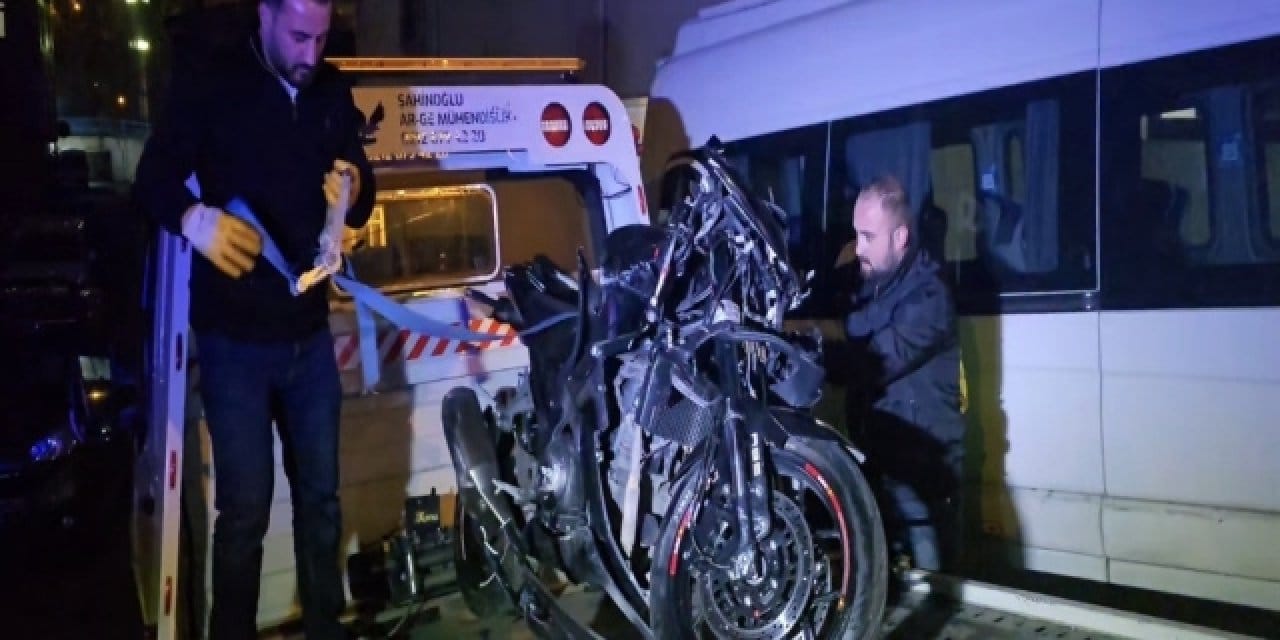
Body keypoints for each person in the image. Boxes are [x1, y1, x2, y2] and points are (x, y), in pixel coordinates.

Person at [133, 0, 375, 637]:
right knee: (243, 512)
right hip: (234, 342)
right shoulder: (212, 80)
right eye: (297, 36)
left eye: (321, 38)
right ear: (265, 15)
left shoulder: (329, 88)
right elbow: (152, 178)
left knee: (321, 500)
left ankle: (325, 627)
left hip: (309, 335)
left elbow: (361, 176)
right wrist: (195, 220)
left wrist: (352, 188)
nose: (310, 55)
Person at [841, 175, 966, 575]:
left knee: (932, 588)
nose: (858, 248)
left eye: (868, 236)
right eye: (856, 235)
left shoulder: (930, 296)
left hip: (922, 476)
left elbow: (875, 362)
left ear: (900, 237)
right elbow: (856, 327)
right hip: (888, 466)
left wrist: (806, 355)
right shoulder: (877, 283)